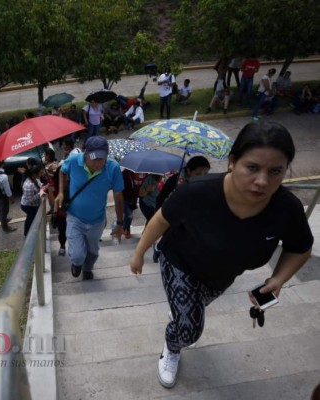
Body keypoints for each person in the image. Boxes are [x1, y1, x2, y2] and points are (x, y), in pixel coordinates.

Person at [130, 121, 313, 389]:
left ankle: (182, 316)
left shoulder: (287, 208)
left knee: (191, 311)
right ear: (232, 162)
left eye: (275, 171)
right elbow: (161, 219)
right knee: (190, 329)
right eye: (252, 167)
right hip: (180, 262)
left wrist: (279, 279)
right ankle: (172, 347)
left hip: (221, 277)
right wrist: (139, 253)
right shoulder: (198, 191)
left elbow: (301, 247)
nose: (262, 181)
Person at [55, 136, 124, 281]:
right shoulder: (74, 161)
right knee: (78, 255)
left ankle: (87, 269)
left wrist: (120, 223)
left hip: (97, 220)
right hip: (75, 217)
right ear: (86, 154)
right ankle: (77, 263)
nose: (98, 163)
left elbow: (118, 197)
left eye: (102, 159)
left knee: (93, 251)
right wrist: (61, 192)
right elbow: (62, 170)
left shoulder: (113, 168)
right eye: (94, 159)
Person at [20, 165, 47, 236]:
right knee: (31, 218)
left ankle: (30, 232)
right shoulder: (28, 185)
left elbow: (40, 185)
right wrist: (40, 193)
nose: (41, 174)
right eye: (39, 173)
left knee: (32, 218)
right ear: (34, 174)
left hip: (34, 204)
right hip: (28, 206)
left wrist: (43, 187)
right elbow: (30, 200)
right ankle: (27, 233)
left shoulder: (35, 179)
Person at [0, 161, 16, 233]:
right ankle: (5, 228)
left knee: (0, 209)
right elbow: (7, 189)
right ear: (3, 164)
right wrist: (11, 198)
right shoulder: (3, 176)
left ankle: (2, 220)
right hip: (3, 196)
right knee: (4, 211)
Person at [121, 169, 143, 239]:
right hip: (125, 198)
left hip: (133, 198)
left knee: (127, 216)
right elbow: (123, 187)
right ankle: (127, 230)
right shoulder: (124, 174)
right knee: (129, 216)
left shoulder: (136, 174)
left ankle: (123, 229)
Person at [51, 166, 68, 256]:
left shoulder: (74, 182)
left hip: (74, 212)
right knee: (62, 231)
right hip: (61, 213)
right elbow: (52, 200)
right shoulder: (53, 184)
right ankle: (62, 246)